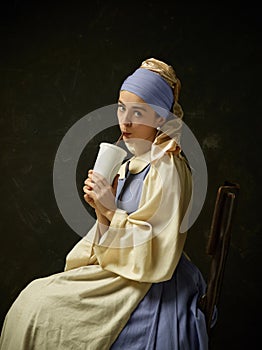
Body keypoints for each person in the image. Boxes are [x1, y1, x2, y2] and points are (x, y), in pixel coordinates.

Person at [0, 58, 210, 349]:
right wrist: (101, 212)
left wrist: (111, 208)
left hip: (149, 282)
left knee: (40, 307)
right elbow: (111, 238)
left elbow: (157, 250)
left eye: (138, 112)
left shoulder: (168, 168)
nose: (125, 121)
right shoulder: (130, 163)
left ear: (160, 118)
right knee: (34, 295)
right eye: (122, 107)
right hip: (121, 269)